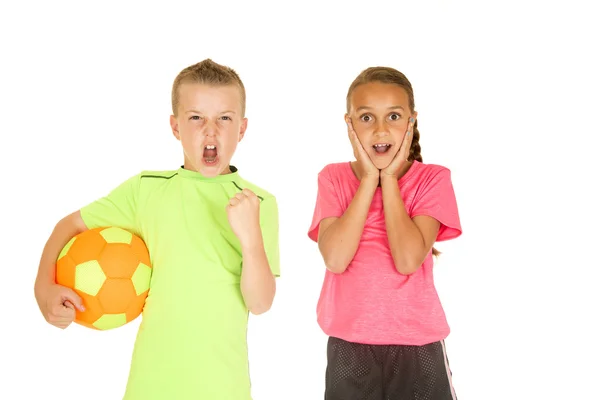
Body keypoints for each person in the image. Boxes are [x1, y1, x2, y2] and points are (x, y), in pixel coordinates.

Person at [33, 59, 280, 400]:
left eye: (225, 118)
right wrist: (42, 286)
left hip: (224, 388)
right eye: (196, 118)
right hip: (150, 387)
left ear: (242, 129)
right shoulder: (146, 190)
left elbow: (261, 302)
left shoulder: (259, 203)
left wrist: (251, 240)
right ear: (176, 127)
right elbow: (71, 225)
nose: (211, 131)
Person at [308, 66, 462, 399]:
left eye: (393, 116)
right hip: (350, 346)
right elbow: (334, 258)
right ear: (349, 125)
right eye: (366, 118)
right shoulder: (333, 178)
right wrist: (368, 180)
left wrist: (389, 180)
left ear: (411, 121)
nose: (380, 129)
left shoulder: (432, 179)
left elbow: (408, 259)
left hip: (417, 347)